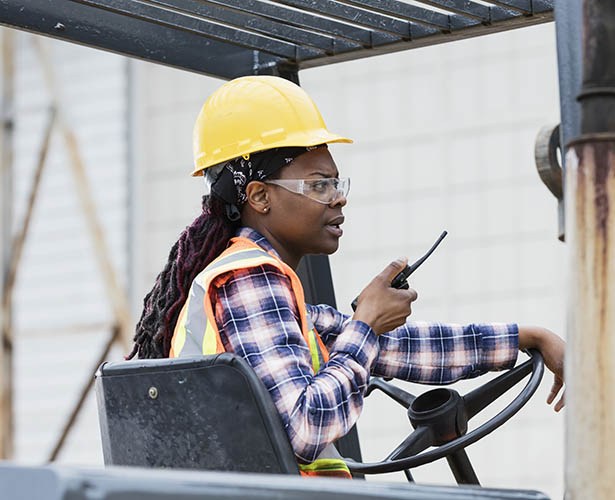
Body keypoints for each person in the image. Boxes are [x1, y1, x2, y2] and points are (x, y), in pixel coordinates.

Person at [128, 76, 565, 478]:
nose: (339, 199)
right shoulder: (249, 280)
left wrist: (529, 337)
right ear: (259, 196)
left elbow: (399, 349)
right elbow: (306, 427)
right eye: (319, 185)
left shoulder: (276, 294)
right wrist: (367, 324)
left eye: (338, 183)